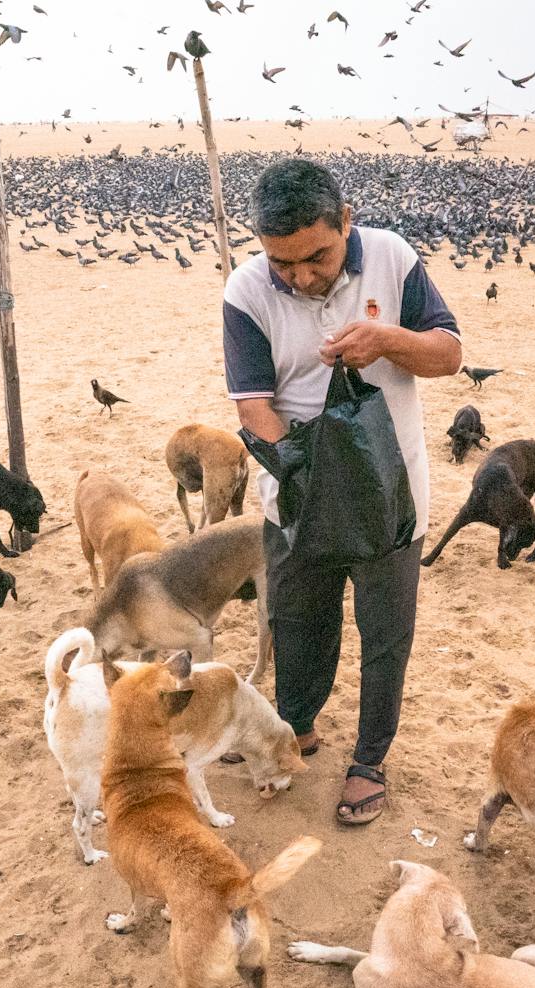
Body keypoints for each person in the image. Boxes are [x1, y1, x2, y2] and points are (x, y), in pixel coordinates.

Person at [222, 158, 462, 825]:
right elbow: (253, 406)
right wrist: (304, 473)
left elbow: (449, 354)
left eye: (316, 257)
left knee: (385, 637)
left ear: (345, 222)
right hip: (297, 499)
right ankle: (295, 722)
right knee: (299, 624)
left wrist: (388, 339)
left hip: (391, 498)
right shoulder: (245, 293)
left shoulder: (392, 257)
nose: (300, 276)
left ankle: (369, 760)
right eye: (283, 263)